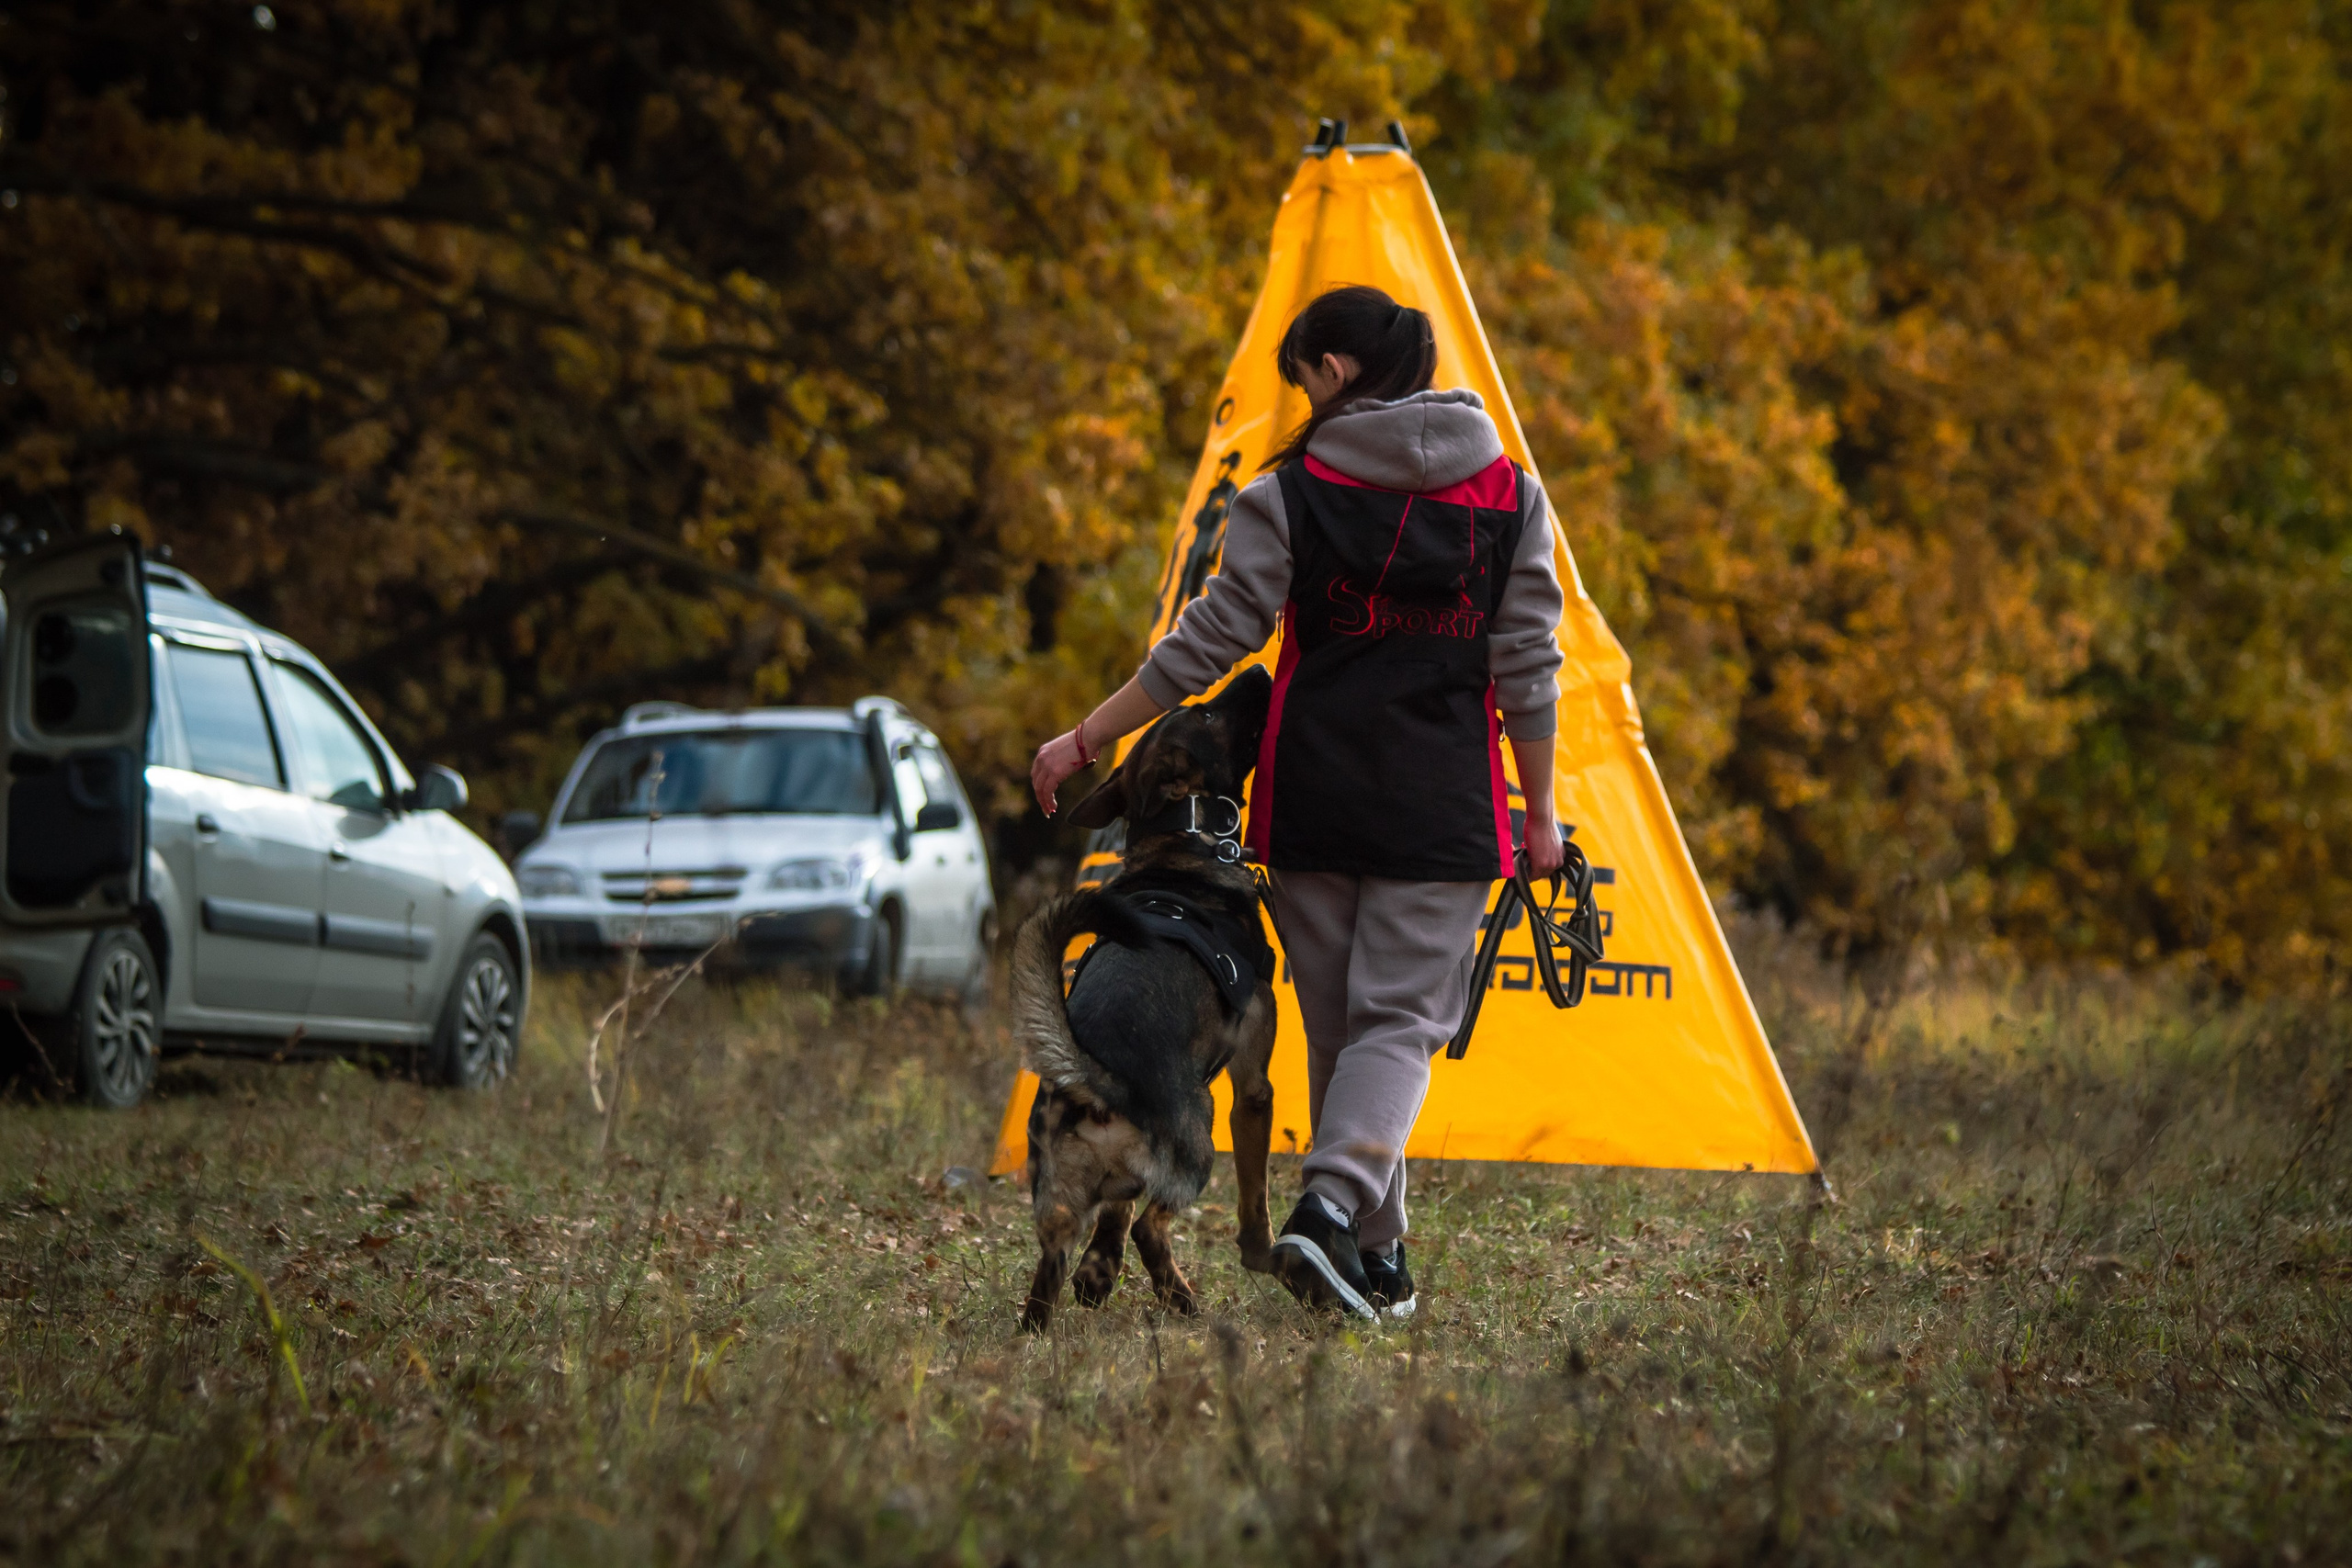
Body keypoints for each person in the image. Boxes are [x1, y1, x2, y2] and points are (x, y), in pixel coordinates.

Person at [1030, 283, 1566, 1320]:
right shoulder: (1513, 497)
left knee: (1345, 1032)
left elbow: (1206, 642)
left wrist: (1088, 736)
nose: (1305, 403)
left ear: (1333, 370)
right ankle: (1327, 1212)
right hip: (1440, 805)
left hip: (1315, 793)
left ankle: (1377, 1258)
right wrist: (1538, 813)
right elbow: (1528, 668)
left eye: (1304, 382)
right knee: (1397, 1026)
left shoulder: (1289, 495)